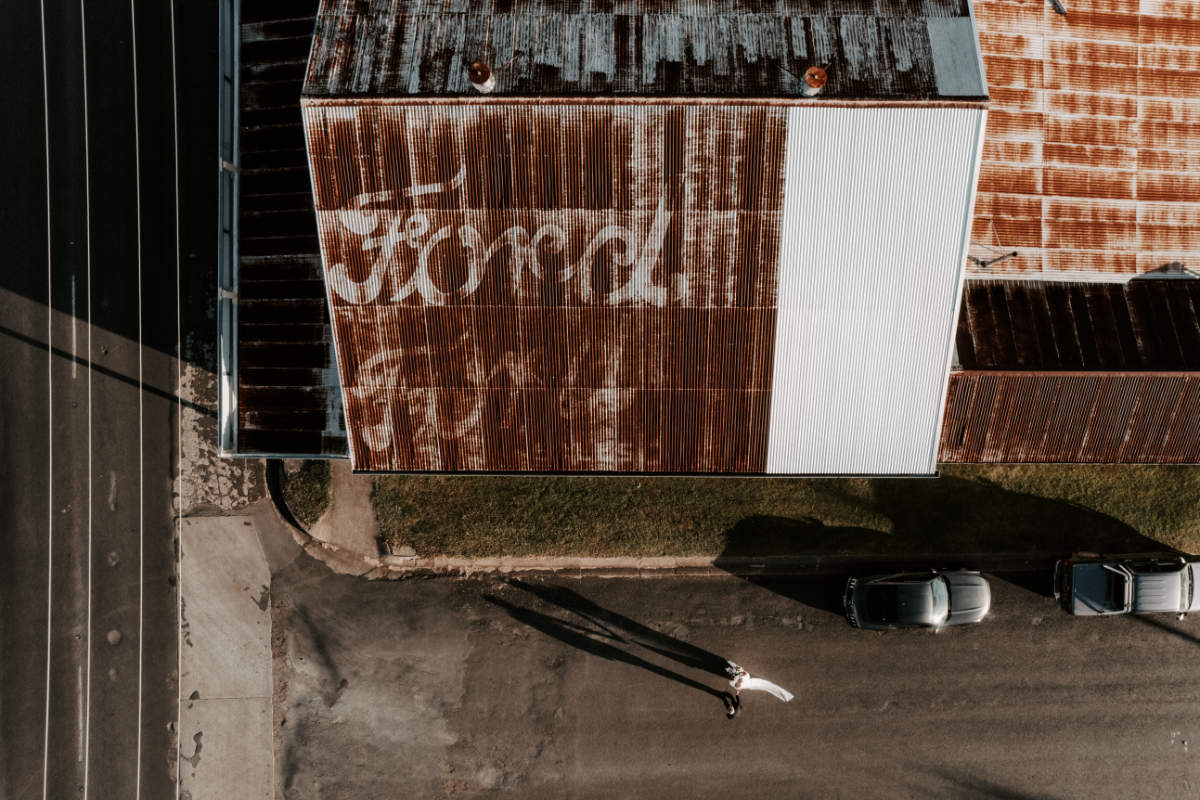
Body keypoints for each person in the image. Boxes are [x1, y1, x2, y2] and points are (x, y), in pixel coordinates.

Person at [725, 661, 794, 716]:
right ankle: (733, 670)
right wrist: (737, 693)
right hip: (742, 681)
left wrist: (737, 690)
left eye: (729, 708)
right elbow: (738, 700)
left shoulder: (737, 682)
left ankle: (733, 670)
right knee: (763, 684)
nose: (730, 707)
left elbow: (737, 682)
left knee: (738, 675)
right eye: (730, 708)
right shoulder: (740, 681)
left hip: (741, 681)